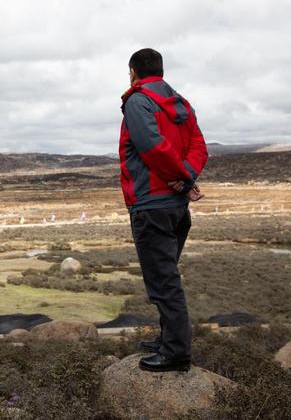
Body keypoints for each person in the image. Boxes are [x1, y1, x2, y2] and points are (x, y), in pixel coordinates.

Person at [119, 48, 208, 372]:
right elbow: (200, 147)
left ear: (133, 71)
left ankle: (175, 354)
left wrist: (180, 178)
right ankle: (167, 340)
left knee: (163, 284)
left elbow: (152, 147)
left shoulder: (137, 101)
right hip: (176, 208)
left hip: (151, 205)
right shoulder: (181, 103)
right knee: (165, 277)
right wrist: (186, 178)